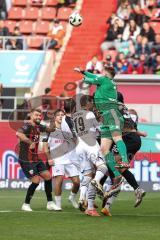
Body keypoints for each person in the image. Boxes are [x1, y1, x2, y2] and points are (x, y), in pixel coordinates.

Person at [74, 66, 130, 170]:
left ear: (106, 73)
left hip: (111, 113)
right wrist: (83, 72)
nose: (101, 73)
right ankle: (117, 176)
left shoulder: (104, 80)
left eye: (103, 72)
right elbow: (95, 76)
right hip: (105, 116)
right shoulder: (107, 81)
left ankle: (125, 161)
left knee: (117, 138)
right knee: (104, 149)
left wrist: (84, 78)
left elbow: (92, 79)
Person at [101, 92, 147, 216]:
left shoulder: (113, 109)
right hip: (135, 141)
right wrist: (141, 133)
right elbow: (133, 128)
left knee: (113, 165)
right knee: (119, 167)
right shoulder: (125, 109)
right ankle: (136, 189)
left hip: (126, 140)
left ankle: (113, 187)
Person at [16, 108, 60, 211]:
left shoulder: (39, 126)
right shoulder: (27, 126)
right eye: (36, 115)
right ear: (31, 115)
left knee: (48, 176)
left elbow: (51, 129)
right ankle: (26, 204)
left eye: (39, 115)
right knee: (36, 180)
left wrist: (54, 120)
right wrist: (30, 142)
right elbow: (19, 134)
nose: (38, 117)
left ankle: (50, 203)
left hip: (35, 158)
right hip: (26, 159)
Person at [46, 109, 80, 210]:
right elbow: (45, 146)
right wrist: (49, 159)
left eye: (62, 115)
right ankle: (58, 204)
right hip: (57, 159)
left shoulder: (68, 130)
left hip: (70, 159)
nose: (61, 116)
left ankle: (72, 198)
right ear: (55, 117)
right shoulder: (50, 130)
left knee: (77, 182)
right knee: (59, 181)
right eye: (59, 115)